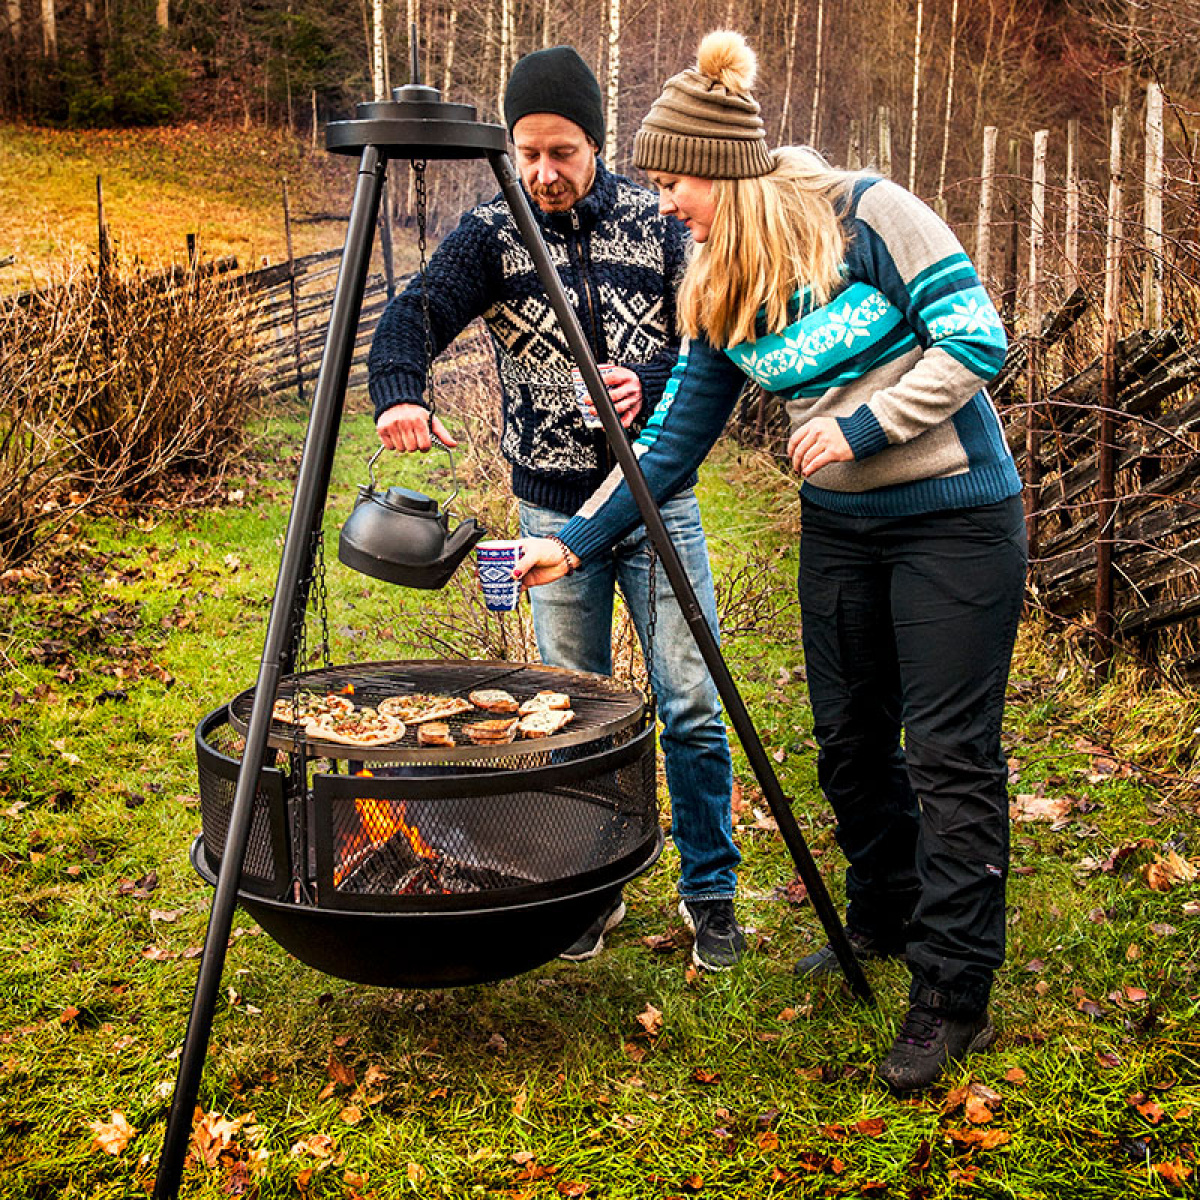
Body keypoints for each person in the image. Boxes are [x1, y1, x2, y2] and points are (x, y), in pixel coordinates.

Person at [515, 30, 1027, 1092]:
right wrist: (572, 542)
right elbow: (666, 448)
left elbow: (977, 339)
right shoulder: (720, 284)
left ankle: (952, 990)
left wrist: (867, 424)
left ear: (729, 170)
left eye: (674, 181)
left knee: (946, 755)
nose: (664, 203)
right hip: (842, 529)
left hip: (956, 518)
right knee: (848, 745)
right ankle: (885, 919)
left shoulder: (867, 214)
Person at [367, 45, 745, 970]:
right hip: (547, 520)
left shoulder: (659, 224)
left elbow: (708, 351)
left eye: (563, 152)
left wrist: (647, 381)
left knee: (690, 703)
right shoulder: (492, 233)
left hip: (658, 505)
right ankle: (589, 888)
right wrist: (400, 393)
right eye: (528, 152)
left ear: (595, 144)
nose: (545, 172)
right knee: (569, 717)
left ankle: (713, 895)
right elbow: (412, 313)